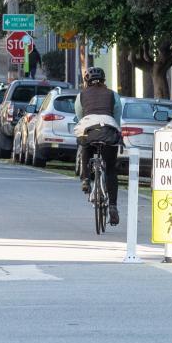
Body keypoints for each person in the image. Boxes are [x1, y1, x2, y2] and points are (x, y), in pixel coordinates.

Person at [75, 67, 123, 225]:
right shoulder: (113, 95)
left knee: (85, 144)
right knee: (110, 169)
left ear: (86, 81)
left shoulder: (81, 95)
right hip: (108, 128)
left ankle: (86, 178)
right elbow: (116, 117)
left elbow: (79, 116)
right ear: (104, 80)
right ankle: (113, 207)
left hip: (89, 128)